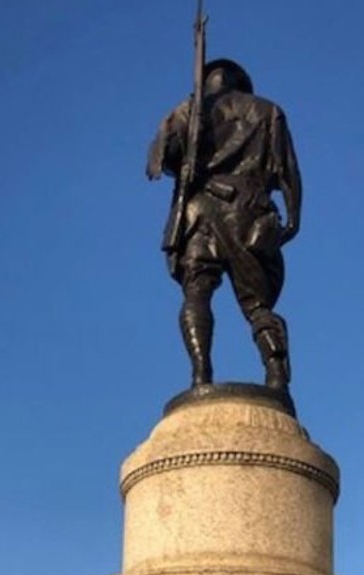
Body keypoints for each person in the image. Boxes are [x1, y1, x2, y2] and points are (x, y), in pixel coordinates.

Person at [146, 59, 302, 391]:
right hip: (249, 209)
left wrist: (183, 143)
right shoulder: (268, 111)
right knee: (258, 305)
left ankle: (200, 374)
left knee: (197, 292)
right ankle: (276, 378)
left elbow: (157, 163)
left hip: (197, 212)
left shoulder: (185, 111)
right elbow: (287, 171)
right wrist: (292, 219)